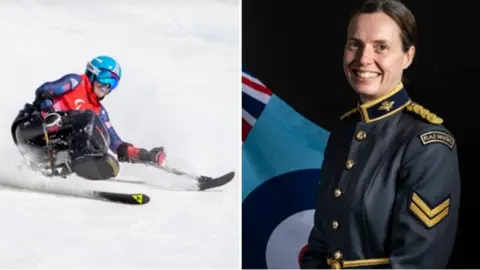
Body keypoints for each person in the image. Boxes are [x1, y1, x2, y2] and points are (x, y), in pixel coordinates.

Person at [300, 0, 460, 268]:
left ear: (407, 56)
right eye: (355, 44)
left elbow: (418, 263)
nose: (363, 59)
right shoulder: (343, 133)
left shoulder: (427, 145)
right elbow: (321, 242)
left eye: (381, 47)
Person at [11, 55, 166, 180]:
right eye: (105, 79)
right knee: (88, 118)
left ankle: (71, 164)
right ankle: (83, 157)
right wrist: (48, 111)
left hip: (50, 145)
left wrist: (142, 155)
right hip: (32, 125)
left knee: (100, 134)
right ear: (93, 74)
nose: (107, 87)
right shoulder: (76, 82)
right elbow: (46, 90)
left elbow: (115, 143)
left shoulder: (100, 111)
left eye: (113, 83)